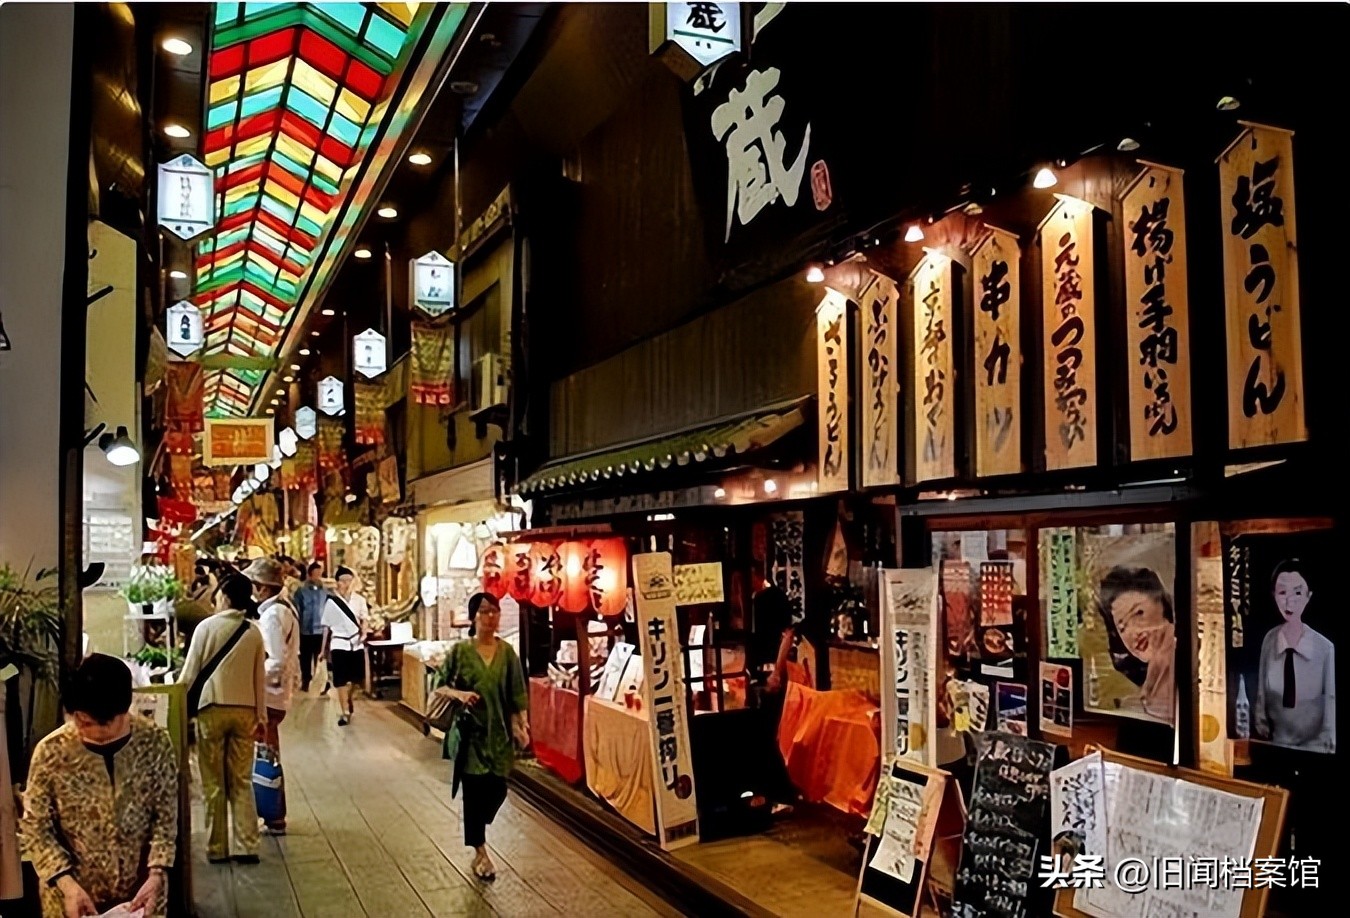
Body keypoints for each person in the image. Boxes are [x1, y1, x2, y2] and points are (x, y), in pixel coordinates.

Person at [22, 654, 178, 918]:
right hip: (69, 899)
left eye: (89, 722)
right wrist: (66, 884)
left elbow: (165, 817)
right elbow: (37, 828)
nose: (80, 727)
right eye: (77, 718)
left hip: (140, 897)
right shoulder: (51, 752)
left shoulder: (154, 744)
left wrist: (157, 873)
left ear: (121, 712)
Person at [431, 593, 529, 881]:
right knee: (473, 795)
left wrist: (521, 724)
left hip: (498, 736)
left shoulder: (507, 652)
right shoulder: (461, 651)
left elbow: (516, 693)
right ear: (474, 617)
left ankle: (478, 828)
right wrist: (460, 694)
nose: (491, 617)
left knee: (498, 789)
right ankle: (480, 851)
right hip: (470, 735)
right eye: (485, 612)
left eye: (495, 611)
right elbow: (440, 685)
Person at [178, 574, 266, 864]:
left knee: (213, 782)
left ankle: (217, 848)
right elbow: (259, 678)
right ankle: (247, 845)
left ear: (225, 597)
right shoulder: (253, 632)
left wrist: (175, 703)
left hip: (211, 710)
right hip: (245, 713)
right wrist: (261, 714)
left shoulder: (206, 627)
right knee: (241, 779)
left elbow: (190, 674)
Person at [1254, 559, 1335, 752]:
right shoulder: (1269, 641)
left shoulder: (1325, 649)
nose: (1289, 601)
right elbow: (1261, 697)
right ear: (1274, 595)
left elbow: (1331, 708)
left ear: (1309, 596)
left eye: (1297, 593)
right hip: (1275, 747)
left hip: (1315, 751)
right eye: (1282, 593)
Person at [246, 558, 301, 834]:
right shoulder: (284, 609)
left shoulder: (270, 616)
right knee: (269, 753)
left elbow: (276, 660)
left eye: (254, 585)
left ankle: (273, 814)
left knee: (265, 755)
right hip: (278, 694)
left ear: (263, 588)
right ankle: (273, 813)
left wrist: (253, 682)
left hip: (269, 696)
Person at [1097, 566, 1176, 724]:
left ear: (1162, 604)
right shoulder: (1156, 670)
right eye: (1122, 628)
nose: (1134, 631)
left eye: (1138, 613)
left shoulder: (1175, 657)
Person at [321, 566, 368, 726]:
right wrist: (323, 650)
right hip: (338, 642)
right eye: (343, 581)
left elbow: (364, 619)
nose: (346, 584)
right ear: (337, 583)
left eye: (349, 580)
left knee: (357, 678)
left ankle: (348, 698)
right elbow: (326, 627)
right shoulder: (331, 603)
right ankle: (344, 711)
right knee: (340, 679)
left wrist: (364, 634)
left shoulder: (360, 600)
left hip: (356, 643)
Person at [294, 562, 329, 693]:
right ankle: (306, 680)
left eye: (320, 573)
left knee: (320, 658)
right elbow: (297, 609)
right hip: (305, 629)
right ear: (310, 574)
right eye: (316, 573)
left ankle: (321, 682)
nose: (318, 576)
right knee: (305, 657)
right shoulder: (301, 591)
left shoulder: (324, 592)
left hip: (320, 629)